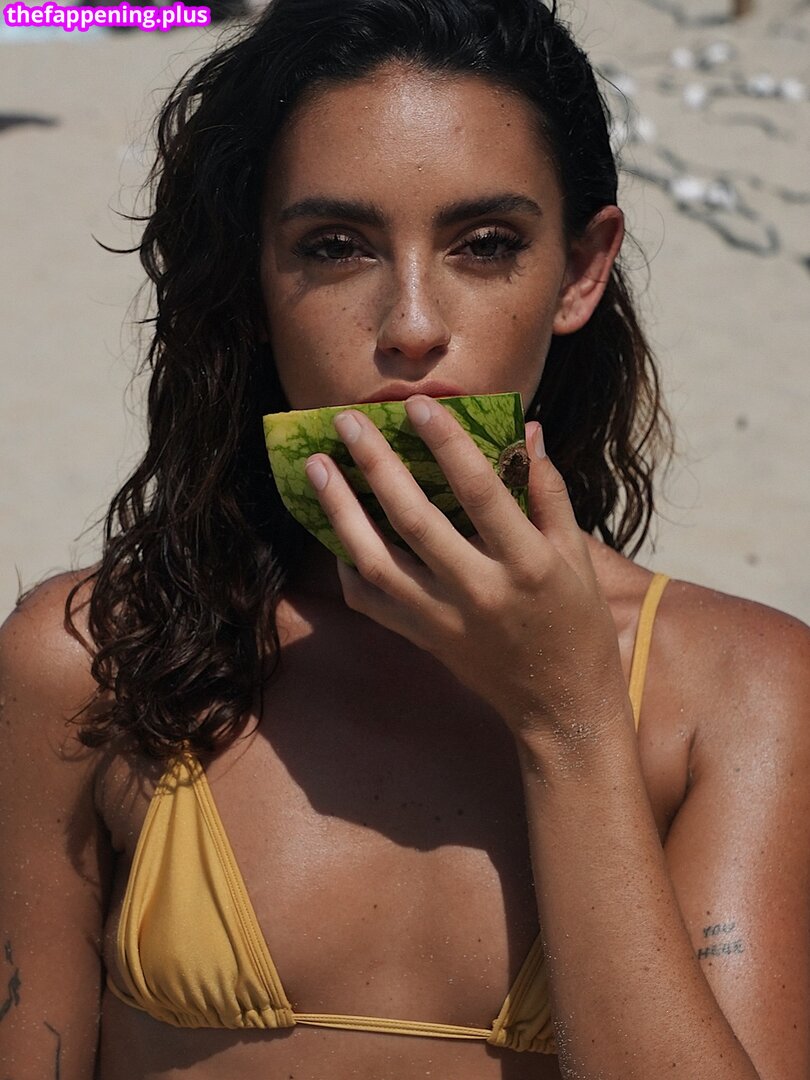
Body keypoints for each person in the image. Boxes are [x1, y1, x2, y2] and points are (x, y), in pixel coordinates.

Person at [1, 1, 808, 1077]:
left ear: (580, 271)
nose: (413, 325)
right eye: (335, 247)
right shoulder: (95, 661)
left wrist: (567, 721)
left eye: (486, 245)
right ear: (254, 279)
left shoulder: (742, 692)